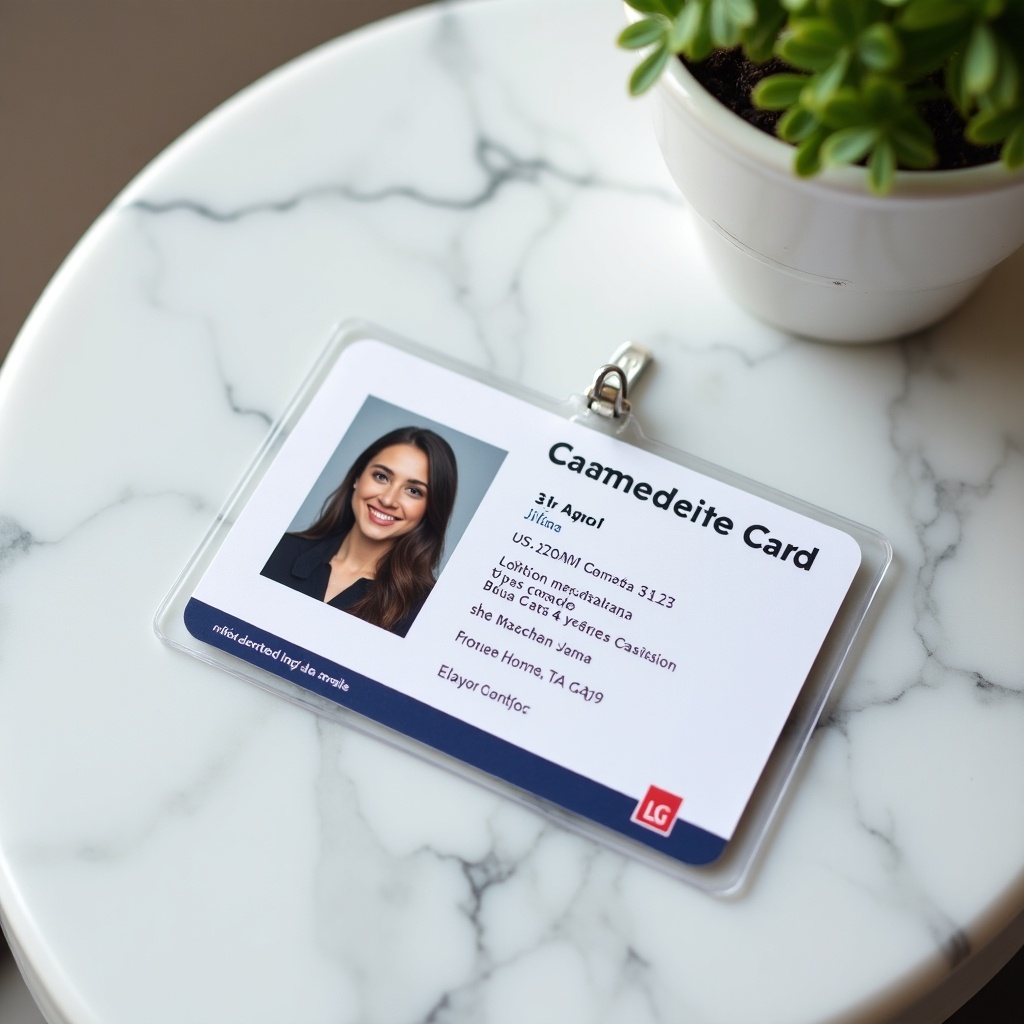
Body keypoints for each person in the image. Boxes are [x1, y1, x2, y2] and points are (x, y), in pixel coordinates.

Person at [261, 426, 458, 636]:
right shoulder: (275, 550)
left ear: (430, 508)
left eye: (413, 491)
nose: (388, 499)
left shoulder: (426, 611)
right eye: (382, 477)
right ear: (357, 477)